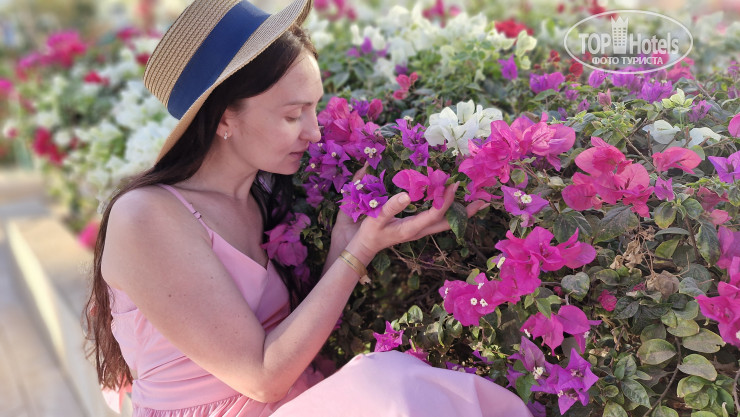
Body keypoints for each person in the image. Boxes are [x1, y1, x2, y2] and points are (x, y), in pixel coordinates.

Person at [84, 0, 534, 416]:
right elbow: (261, 377)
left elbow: (288, 339)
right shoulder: (145, 216)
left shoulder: (256, 198)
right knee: (392, 387)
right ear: (224, 118)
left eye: (314, 109)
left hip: (301, 398)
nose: (315, 133)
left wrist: (346, 240)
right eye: (292, 115)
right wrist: (358, 253)